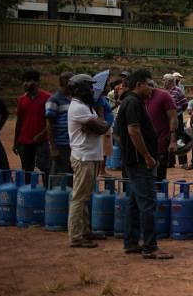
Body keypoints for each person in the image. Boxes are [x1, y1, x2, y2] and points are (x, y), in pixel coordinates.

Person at [116, 69, 173, 259]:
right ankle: (150, 247)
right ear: (138, 84)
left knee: (133, 203)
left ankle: (131, 242)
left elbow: (119, 132)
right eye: (148, 84)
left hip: (133, 162)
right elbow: (133, 131)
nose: (151, 88)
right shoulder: (133, 103)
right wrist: (147, 156)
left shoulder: (129, 102)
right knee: (148, 203)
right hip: (140, 163)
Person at [66, 73, 109, 248]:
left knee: (84, 196)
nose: (93, 90)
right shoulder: (79, 108)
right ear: (82, 89)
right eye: (90, 87)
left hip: (88, 156)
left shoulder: (84, 106)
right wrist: (99, 121)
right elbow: (101, 128)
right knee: (79, 197)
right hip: (83, 157)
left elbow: (100, 126)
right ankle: (76, 236)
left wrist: (98, 122)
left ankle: (84, 230)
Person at [14, 69, 51, 177]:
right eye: (24, 80)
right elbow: (19, 121)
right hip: (24, 141)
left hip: (42, 141)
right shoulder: (21, 100)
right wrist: (16, 142)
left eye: (29, 80)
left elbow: (51, 121)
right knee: (27, 169)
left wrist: (41, 135)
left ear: (37, 82)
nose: (25, 83)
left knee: (45, 168)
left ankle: (47, 191)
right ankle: (28, 192)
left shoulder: (48, 98)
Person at [144, 79, 177, 181]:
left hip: (161, 141)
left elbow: (173, 118)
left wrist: (172, 141)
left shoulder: (164, 96)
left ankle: (160, 194)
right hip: (144, 142)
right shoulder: (140, 97)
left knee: (159, 174)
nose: (149, 87)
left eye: (150, 85)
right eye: (146, 85)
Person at [45, 72, 74, 179]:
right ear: (66, 83)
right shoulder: (54, 100)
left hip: (73, 145)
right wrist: (53, 147)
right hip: (61, 145)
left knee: (71, 177)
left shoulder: (73, 99)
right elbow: (49, 125)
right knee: (59, 177)